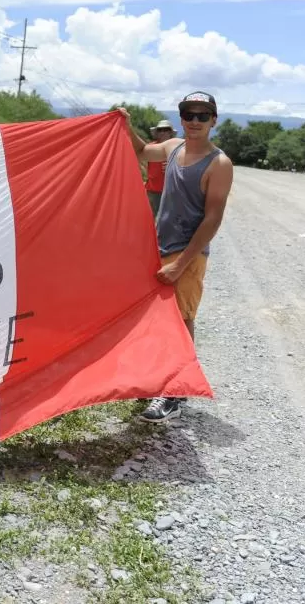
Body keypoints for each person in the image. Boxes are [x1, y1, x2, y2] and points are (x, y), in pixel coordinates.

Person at [119, 92, 234, 423]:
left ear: (214, 120)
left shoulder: (219, 164)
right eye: (189, 114)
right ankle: (157, 379)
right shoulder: (173, 148)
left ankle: (174, 393)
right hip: (160, 248)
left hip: (187, 255)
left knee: (181, 322)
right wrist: (126, 126)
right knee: (157, 319)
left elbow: (212, 219)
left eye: (202, 115)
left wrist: (181, 263)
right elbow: (142, 152)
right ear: (181, 118)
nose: (194, 121)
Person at [144, 119, 176, 219]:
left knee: (168, 221)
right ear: (157, 133)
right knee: (150, 219)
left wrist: (173, 165)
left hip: (171, 191)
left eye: (165, 130)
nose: (162, 132)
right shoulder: (150, 147)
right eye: (160, 130)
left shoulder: (177, 148)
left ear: (170, 132)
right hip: (153, 191)